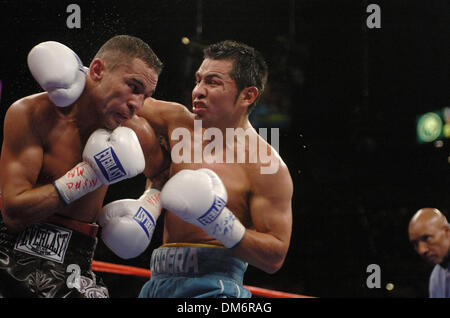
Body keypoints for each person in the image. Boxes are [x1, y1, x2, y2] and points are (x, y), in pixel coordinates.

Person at [0, 35, 166, 297]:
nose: (137, 104)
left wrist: (149, 206)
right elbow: (13, 212)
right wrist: (89, 176)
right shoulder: (32, 113)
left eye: (145, 96)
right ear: (98, 70)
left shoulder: (135, 131)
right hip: (8, 254)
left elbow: (162, 173)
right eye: (133, 87)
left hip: (75, 263)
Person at [131, 40, 293, 298]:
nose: (198, 91)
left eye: (213, 82)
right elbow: (119, 94)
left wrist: (217, 221)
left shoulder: (266, 165)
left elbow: (275, 256)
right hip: (157, 282)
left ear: (248, 95)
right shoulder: (177, 122)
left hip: (215, 289)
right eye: (198, 80)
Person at [408, 208, 450, 298]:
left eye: (426, 238)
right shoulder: (436, 277)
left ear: (447, 232)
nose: (421, 250)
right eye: (415, 244)